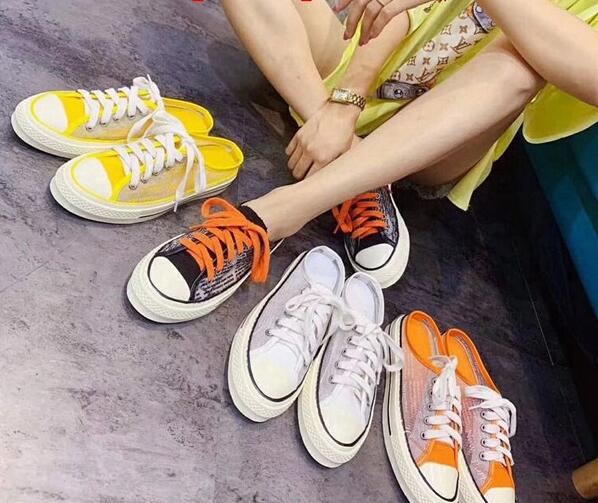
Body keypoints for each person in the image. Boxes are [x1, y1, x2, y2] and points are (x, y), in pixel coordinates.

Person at [127, 0, 598, 320]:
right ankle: (356, 168)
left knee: (520, 64)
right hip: (357, 71)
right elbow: (394, 12)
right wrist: (343, 102)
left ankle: (277, 213)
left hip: (443, 138)